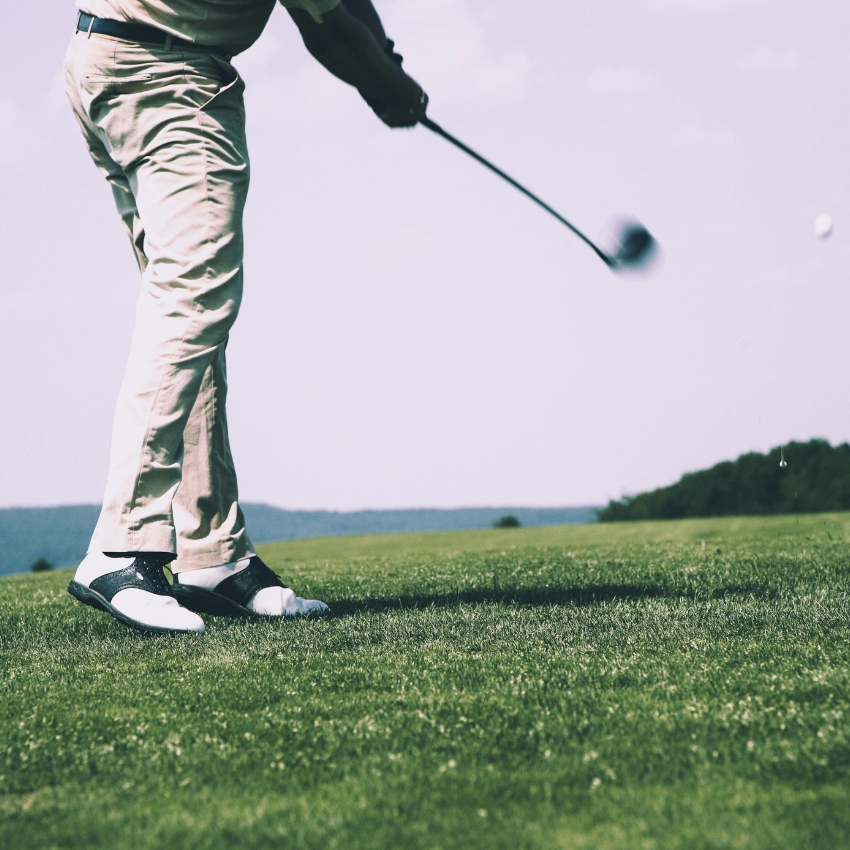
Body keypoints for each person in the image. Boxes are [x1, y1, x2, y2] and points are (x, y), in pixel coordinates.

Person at [63, 0, 428, 634]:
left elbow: (343, 7)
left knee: (185, 315)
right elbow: (330, 29)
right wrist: (391, 86)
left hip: (106, 60)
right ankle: (122, 546)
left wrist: (383, 55)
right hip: (169, 76)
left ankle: (212, 555)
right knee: (193, 296)